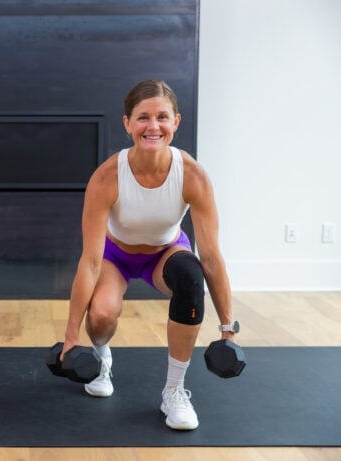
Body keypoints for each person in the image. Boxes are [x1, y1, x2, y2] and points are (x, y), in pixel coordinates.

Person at [61, 80, 236, 430]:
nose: (153, 126)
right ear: (127, 124)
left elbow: (212, 258)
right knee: (102, 315)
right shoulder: (107, 177)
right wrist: (70, 336)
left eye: (162, 117)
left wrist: (228, 329)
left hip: (165, 252)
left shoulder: (193, 176)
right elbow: (91, 261)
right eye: (143, 118)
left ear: (176, 122)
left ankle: (174, 390)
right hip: (115, 255)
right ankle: (102, 358)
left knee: (191, 276)